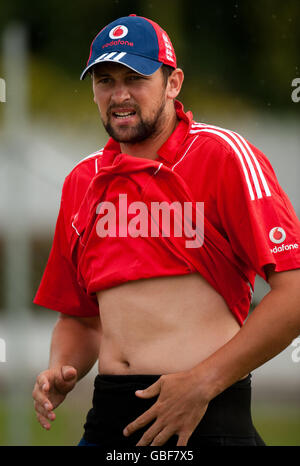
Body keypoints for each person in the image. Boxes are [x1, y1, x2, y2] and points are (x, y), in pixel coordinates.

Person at [32, 14, 300, 447]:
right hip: (109, 420)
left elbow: (295, 294)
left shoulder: (223, 155)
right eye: (104, 80)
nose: (119, 95)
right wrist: (61, 369)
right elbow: (81, 319)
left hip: (205, 416)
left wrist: (201, 384)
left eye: (135, 78)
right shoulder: (82, 180)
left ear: (173, 83)